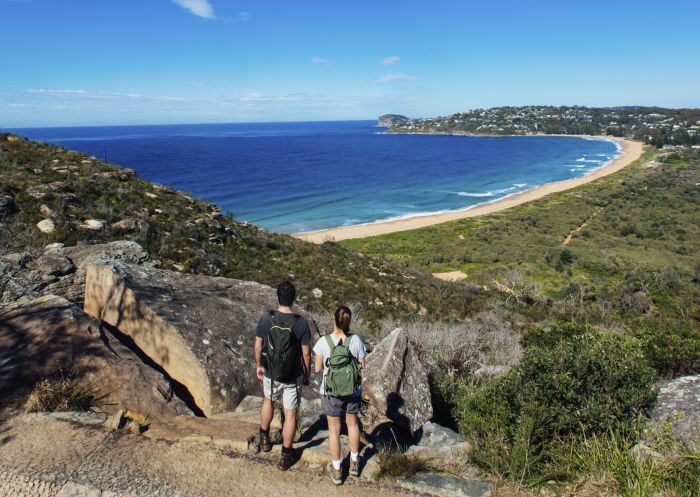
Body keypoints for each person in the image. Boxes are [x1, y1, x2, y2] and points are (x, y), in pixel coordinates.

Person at [254, 281, 312, 471]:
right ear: (293, 298)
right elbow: (305, 354)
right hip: (292, 375)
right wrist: (306, 374)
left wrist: (259, 365)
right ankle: (286, 455)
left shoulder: (266, 318)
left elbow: (258, 346)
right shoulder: (301, 322)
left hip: (271, 371)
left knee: (268, 401)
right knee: (290, 414)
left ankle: (264, 438)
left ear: (277, 296)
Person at [313, 305, 366, 485]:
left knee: (334, 430)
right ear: (349, 322)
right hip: (352, 390)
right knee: (352, 424)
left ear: (333, 319)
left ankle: (337, 470)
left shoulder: (323, 342)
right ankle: (354, 463)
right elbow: (361, 364)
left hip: (330, 391)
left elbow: (318, 368)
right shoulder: (356, 340)